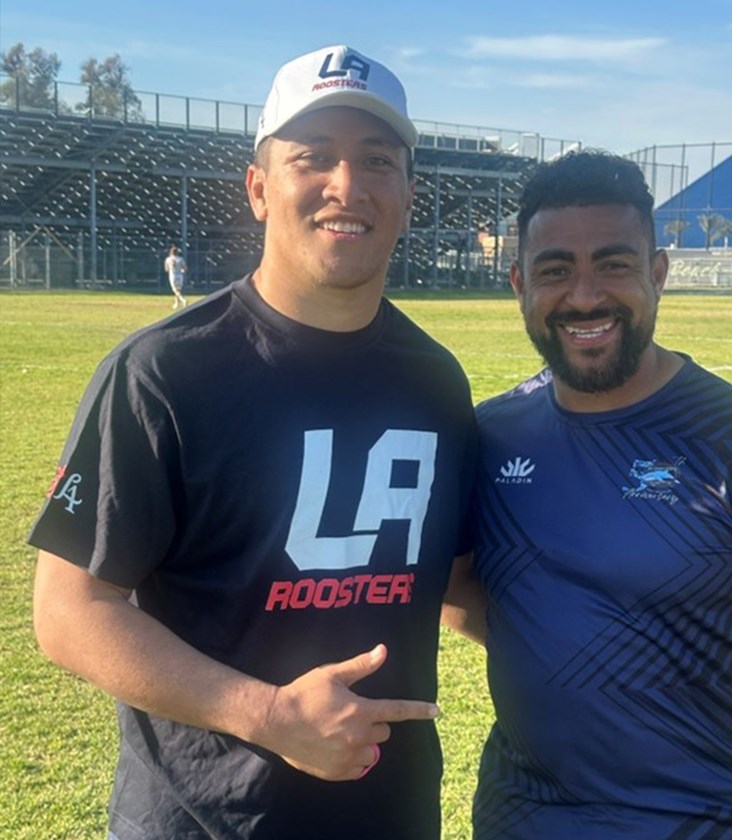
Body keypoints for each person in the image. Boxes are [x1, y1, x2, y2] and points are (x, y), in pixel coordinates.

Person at [30, 44, 477, 840]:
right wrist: (267, 713)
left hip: (389, 815)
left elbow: (457, 583)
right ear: (260, 188)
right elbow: (70, 610)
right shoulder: (161, 372)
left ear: (409, 195)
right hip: (200, 819)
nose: (348, 185)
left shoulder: (435, 382)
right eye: (315, 158)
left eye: (378, 161)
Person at [469, 150, 732, 837]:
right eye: (556, 270)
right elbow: (470, 598)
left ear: (659, 273)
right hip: (517, 819)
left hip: (704, 823)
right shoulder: (490, 437)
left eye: (613, 264)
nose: (585, 297)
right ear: (520, 282)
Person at [164, 244, 188, 308]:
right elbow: (185, 268)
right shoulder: (180, 259)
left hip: (173, 275)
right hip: (180, 276)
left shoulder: (168, 259)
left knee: (176, 290)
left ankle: (183, 299)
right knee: (178, 290)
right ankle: (177, 304)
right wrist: (181, 270)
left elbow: (166, 269)